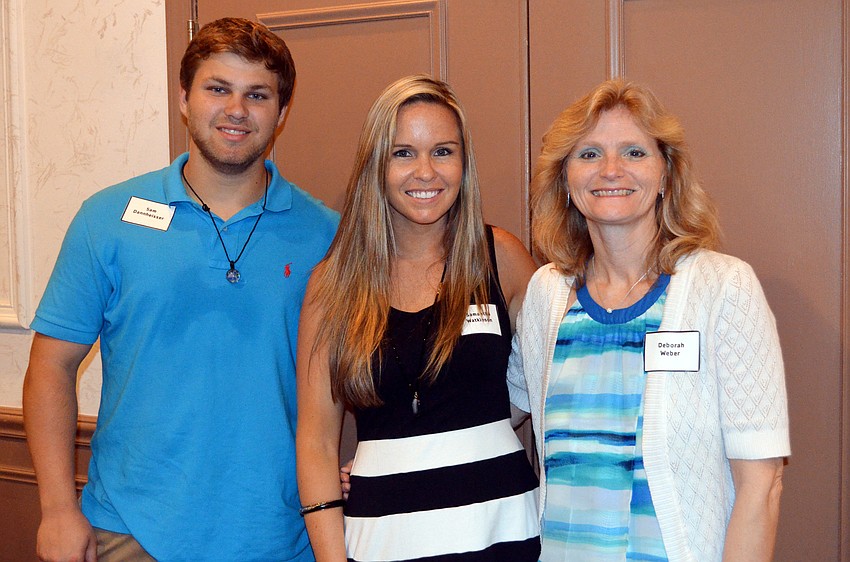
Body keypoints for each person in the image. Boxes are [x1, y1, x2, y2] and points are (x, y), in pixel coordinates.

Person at [23, 17, 338, 562]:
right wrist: (55, 508)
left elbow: (363, 369)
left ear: (281, 113)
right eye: (218, 88)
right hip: (131, 535)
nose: (236, 110)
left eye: (257, 95)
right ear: (184, 100)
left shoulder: (326, 235)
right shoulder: (108, 220)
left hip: (282, 540)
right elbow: (51, 366)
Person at [508, 79, 791, 562]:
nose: (611, 170)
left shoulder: (723, 289)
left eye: (635, 152)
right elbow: (499, 413)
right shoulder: (546, 295)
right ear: (565, 178)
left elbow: (762, 487)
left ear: (666, 175)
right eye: (589, 154)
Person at [295, 74, 540, 561]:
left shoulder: (503, 258)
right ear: (375, 165)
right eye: (402, 153)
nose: (425, 172)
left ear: (464, 163)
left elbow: (546, 386)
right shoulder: (333, 283)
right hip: (382, 542)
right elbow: (317, 442)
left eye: (443, 151)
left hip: (505, 534)